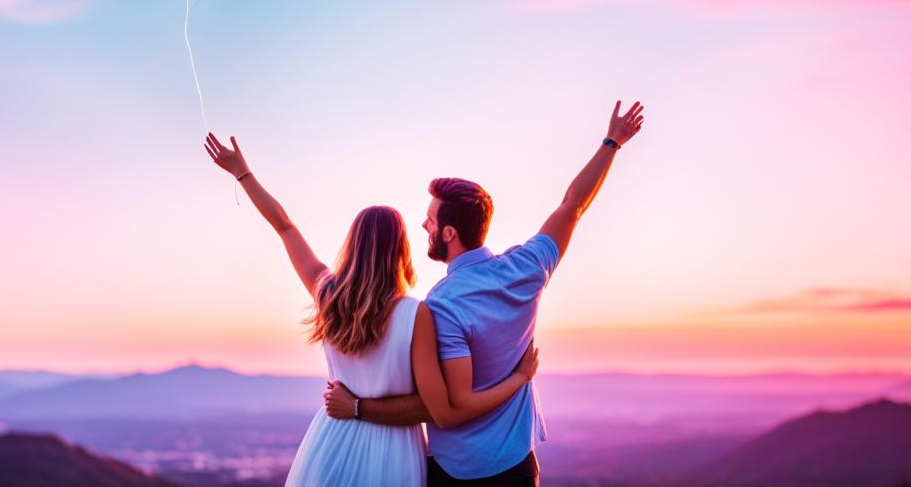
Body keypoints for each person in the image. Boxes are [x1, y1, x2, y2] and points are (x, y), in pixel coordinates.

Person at [324, 101, 645, 486]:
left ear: (449, 234)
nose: (424, 224)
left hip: (459, 471)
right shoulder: (526, 267)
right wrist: (612, 142)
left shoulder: (442, 305)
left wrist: (358, 407)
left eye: (431, 219)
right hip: (517, 464)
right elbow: (573, 206)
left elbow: (454, 406)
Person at [205, 133, 541, 487]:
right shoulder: (417, 315)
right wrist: (519, 378)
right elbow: (436, 408)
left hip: (332, 440)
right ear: (401, 251)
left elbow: (285, 228)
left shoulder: (329, 296)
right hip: (394, 450)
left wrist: (243, 174)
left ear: (353, 244)